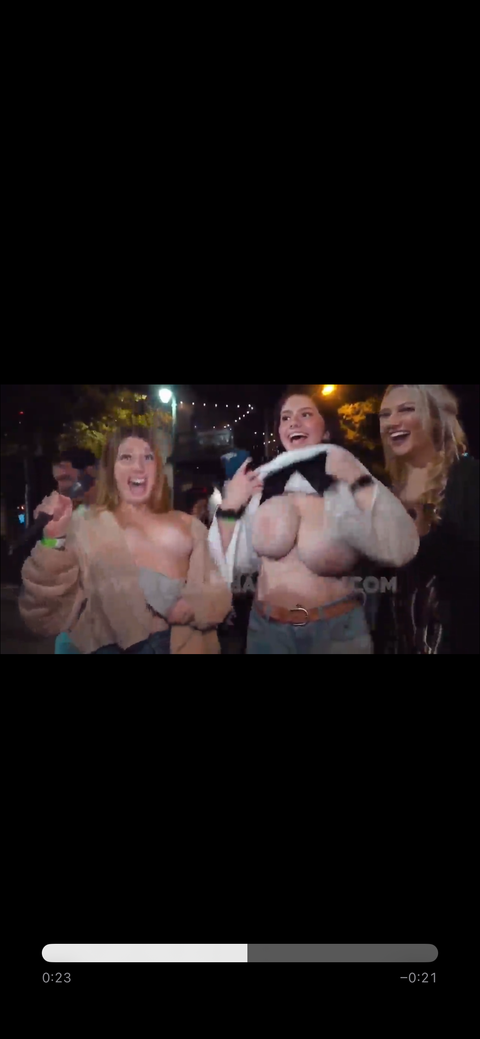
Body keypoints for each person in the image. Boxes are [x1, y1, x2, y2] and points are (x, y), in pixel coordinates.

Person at [208, 391, 420, 654]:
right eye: (286, 418)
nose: (294, 423)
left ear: (327, 430)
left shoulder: (348, 474)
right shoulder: (261, 483)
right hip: (267, 632)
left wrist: (356, 477)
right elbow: (225, 563)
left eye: (305, 415)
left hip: (336, 634)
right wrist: (231, 504)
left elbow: (399, 547)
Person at [20, 428, 232, 654]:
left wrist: (193, 607)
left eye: (147, 457)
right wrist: (52, 540)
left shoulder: (189, 527)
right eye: (126, 457)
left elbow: (218, 591)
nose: (139, 467)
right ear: (111, 470)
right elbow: (43, 616)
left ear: (158, 469)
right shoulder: (84, 527)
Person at [375, 384, 479, 654]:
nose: (392, 422)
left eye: (406, 410)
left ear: (435, 417)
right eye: (385, 414)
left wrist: (425, 536)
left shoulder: (468, 478)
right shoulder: (387, 486)